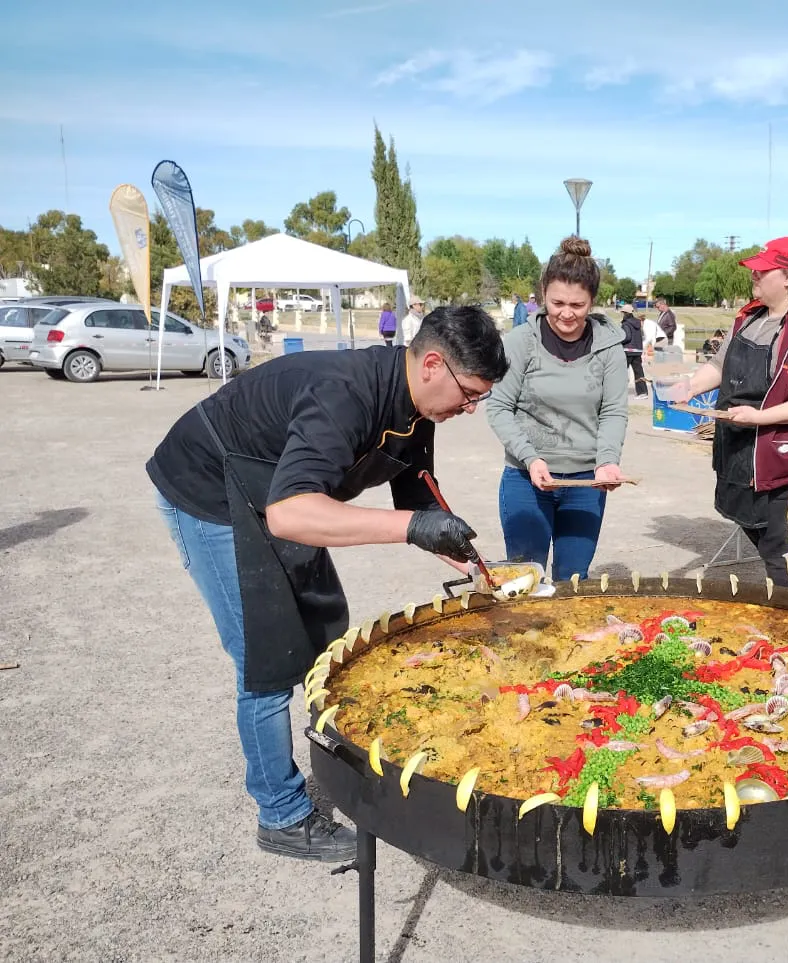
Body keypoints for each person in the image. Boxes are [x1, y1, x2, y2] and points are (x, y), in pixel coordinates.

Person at [147, 306, 508, 862]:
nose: (470, 408)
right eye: (470, 394)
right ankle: (281, 816)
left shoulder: (418, 406)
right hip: (212, 490)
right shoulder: (345, 393)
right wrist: (410, 529)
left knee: (318, 634)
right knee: (265, 656)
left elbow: (416, 494)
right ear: (433, 364)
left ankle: (334, 765)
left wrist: (455, 548)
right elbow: (291, 515)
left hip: (273, 488)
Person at [666, 236, 788, 586]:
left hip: (787, 468)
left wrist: (758, 417)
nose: (754, 278)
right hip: (741, 457)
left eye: (762, 272)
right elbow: (720, 366)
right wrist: (689, 386)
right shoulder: (750, 318)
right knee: (764, 545)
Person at [486, 237, 629, 580]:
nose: (567, 313)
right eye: (557, 302)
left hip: (585, 484)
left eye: (578, 305)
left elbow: (613, 410)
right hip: (526, 479)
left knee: (573, 580)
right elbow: (499, 407)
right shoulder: (520, 342)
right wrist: (530, 458)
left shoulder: (610, 347)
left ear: (592, 301)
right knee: (525, 580)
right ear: (543, 295)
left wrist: (607, 460)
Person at [620, 303, 647, 396]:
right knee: (639, 371)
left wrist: (619, 340)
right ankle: (643, 392)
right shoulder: (638, 323)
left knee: (621, 371)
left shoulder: (626, 323)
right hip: (638, 350)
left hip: (628, 350)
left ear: (625, 313)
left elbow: (627, 337)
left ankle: (619, 392)